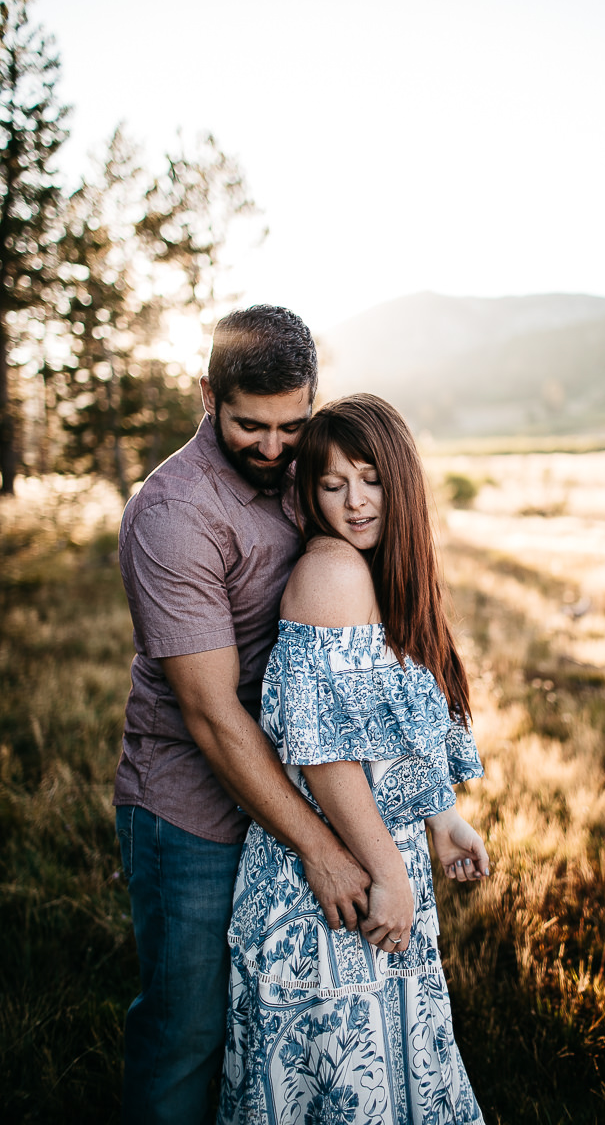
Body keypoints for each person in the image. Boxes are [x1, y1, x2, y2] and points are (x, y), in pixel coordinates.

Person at [114, 306, 376, 1125]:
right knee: (187, 1031)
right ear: (207, 395)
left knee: (268, 1023)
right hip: (190, 810)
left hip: (294, 793)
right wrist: (324, 851)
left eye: (290, 425)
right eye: (248, 426)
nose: (271, 447)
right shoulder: (174, 513)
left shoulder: (309, 469)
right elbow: (210, 714)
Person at [217, 393, 489, 1125]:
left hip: (375, 861)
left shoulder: (381, 577)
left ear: (399, 480)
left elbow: (391, 728)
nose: (355, 502)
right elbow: (326, 753)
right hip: (332, 892)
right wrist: (391, 876)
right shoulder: (333, 572)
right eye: (332, 485)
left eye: (369, 478)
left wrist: (443, 820)